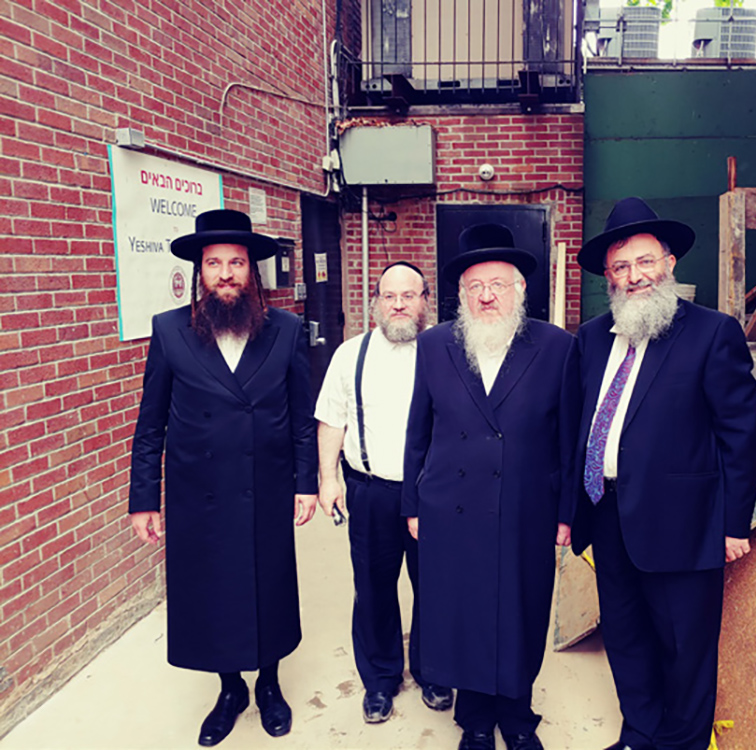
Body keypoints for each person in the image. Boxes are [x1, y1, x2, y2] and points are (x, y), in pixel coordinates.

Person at [571, 197, 756, 750]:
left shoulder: (712, 333)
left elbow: (740, 434)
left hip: (686, 523)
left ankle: (681, 744)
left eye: (645, 261)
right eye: (621, 266)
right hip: (608, 514)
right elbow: (579, 426)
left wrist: (734, 524)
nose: (634, 276)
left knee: (685, 647)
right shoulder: (591, 339)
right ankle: (639, 733)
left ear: (670, 263)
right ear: (608, 276)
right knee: (626, 635)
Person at [128, 209, 319, 747]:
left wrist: (306, 482)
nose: (226, 273)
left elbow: (301, 417)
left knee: (269, 586)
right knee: (213, 591)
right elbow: (151, 422)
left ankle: (270, 684)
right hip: (199, 493)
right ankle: (230, 688)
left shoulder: (285, 329)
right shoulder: (170, 330)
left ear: (252, 270)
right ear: (200, 271)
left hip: (267, 486)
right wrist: (143, 499)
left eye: (237, 262)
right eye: (215, 263)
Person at [402, 224, 578, 750]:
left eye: (498, 284)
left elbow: (569, 439)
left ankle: (517, 716)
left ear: (520, 288)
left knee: (522, 609)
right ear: (461, 294)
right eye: (474, 286)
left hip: (527, 505)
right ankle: (475, 718)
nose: (486, 296)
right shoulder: (435, 344)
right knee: (466, 611)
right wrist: (412, 502)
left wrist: (567, 512)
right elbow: (418, 429)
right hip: (451, 505)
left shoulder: (557, 346)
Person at [314, 261, 454, 724]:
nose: (398, 305)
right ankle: (379, 680)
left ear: (425, 301)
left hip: (431, 496)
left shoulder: (446, 352)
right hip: (371, 492)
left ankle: (434, 672)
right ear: (375, 302)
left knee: (435, 585)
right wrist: (328, 478)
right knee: (372, 588)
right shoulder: (349, 355)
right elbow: (332, 419)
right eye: (389, 296)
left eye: (408, 295)